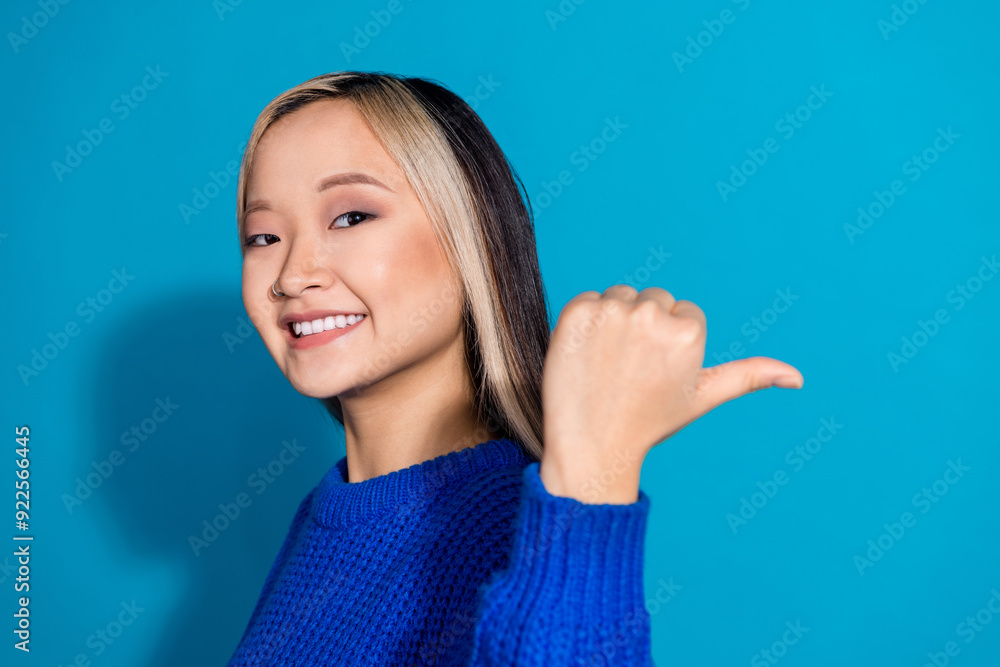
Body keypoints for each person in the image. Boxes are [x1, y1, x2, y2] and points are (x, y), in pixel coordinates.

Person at [227, 70, 803, 666]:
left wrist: (594, 477)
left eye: (350, 217)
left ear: (474, 234)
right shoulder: (330, 513)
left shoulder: (504, 525)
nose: (293, 274)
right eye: (263, 236)